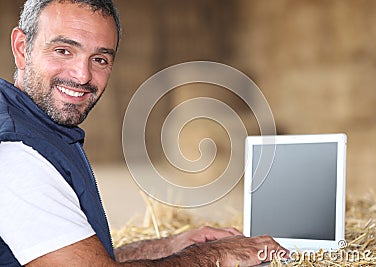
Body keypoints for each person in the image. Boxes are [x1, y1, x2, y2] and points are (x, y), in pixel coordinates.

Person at [0, 0, 287, 266]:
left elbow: (68, 255)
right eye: (63, 51)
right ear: (22, 48)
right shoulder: (17, 154)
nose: (83, 75)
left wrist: (170, 246)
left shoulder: (31, 126)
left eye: (99, 59)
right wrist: (213, 256)